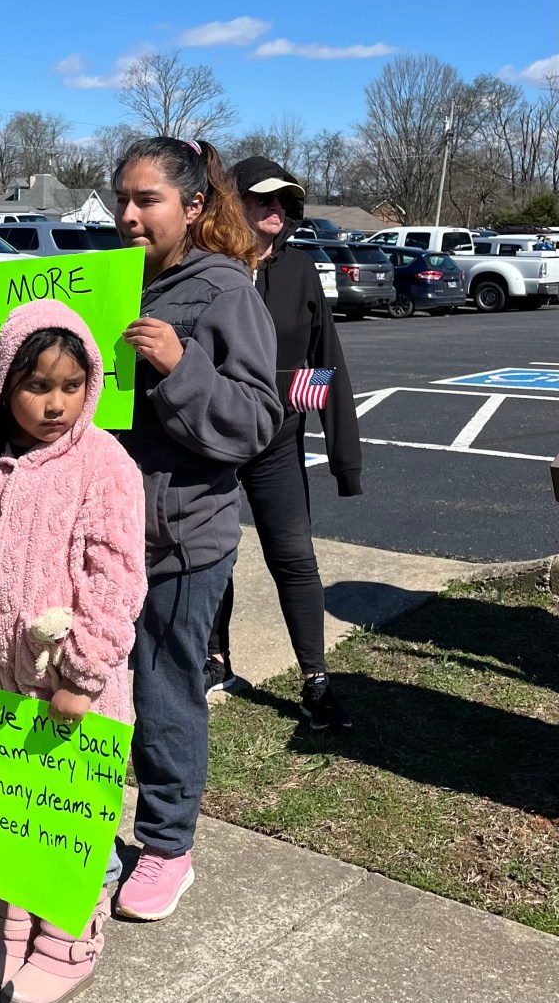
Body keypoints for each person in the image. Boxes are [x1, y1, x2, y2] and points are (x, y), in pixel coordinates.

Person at [0, 298, 146, 1003]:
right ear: (4, 381)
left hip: (70, 689)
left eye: (71, 386)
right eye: (37, 386)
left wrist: (84, 672)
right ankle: (11, 931)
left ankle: (70, 938)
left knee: (66, 816)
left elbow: (116, 578)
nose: (55, 403)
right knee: (6, 814)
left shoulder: (104, 463)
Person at [109, 137, 282, 922]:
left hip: (181, 539)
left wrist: (182, 365)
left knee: (164, 691)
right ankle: (76, 824)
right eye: (122, 198)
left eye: (147, 200)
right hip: (97, 536)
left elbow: (255, 421)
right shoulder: (107, 283)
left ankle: (166, 846)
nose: (129, 214)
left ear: (194, 205)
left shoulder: (223, 292)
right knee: (87, 690)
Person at [202, 156, 363, 731]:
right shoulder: (207, 268)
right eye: (263, 199)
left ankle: (316, 681)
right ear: (233, 203)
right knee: (213, 554)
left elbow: (325, 357)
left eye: (285, 201)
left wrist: (342, 456)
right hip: (211, 437)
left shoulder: (299, 269)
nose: (277, 209)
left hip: (277, 440)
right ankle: (214, 659)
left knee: (293, 556)